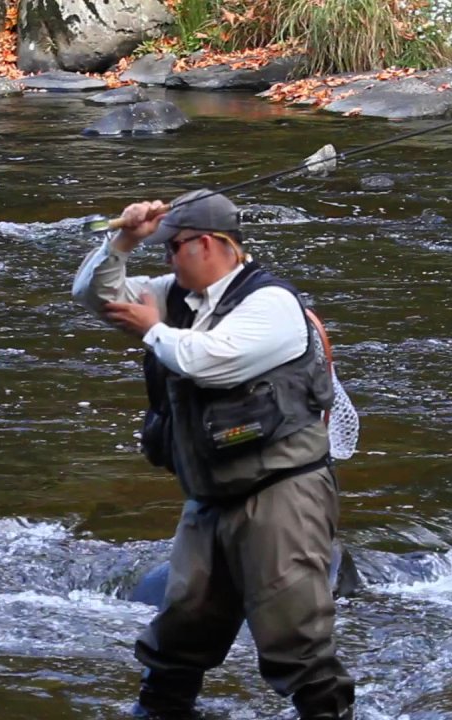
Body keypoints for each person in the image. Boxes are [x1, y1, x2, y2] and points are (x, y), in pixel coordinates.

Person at [71, 189, 355, 720]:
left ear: (206, 244)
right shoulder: (174, 292)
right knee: (184, 622)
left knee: (293, 632)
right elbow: (95, 294)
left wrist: (152, 330)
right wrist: (124, 240)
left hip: (281, 490)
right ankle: (160, 711)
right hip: (209, 493)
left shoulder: (271, 304)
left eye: (171, 248)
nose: (166, 260)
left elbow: (209, 361)